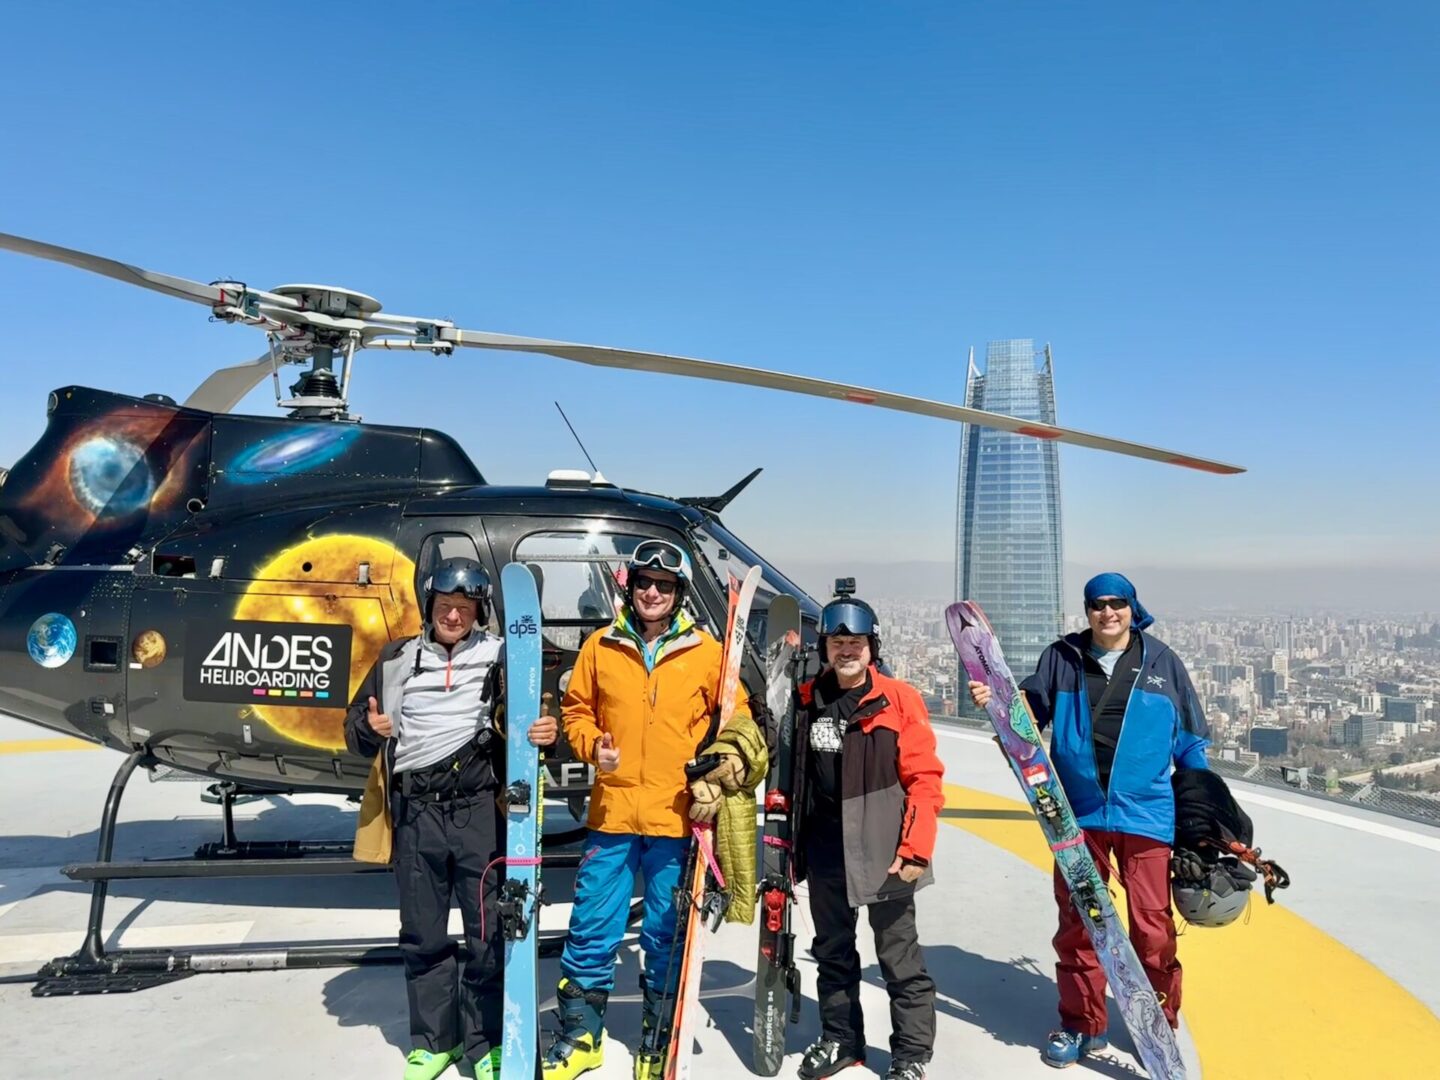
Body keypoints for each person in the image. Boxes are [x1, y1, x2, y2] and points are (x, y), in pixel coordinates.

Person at [544, 538, 767, 1080]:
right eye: (644, 583)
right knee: (592, 926)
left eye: (663, 586)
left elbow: (737, 721)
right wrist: (590, 742)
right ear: (630, 587)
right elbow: (576, 711)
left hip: (677, 816)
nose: (652, 592)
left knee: (666, 933)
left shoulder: (707, 654)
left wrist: (727, 760)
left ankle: (656, 1038)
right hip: (613, 813)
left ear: (678, 594)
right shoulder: (601, 646)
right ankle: (580, 1039)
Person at [969, 572, 1209, 1069]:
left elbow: (1190, 743)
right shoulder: (1061, 657)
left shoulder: (1163, 662)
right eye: (1097, 605)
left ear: (1131, 607)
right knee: (1081, 921)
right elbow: (1027, 715)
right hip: (1075, 813)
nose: (1107, 613)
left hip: (1147, 814)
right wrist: (995, 704)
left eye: (1116, 603)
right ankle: (1082, 1022)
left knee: (1151, 924)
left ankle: (1159, 1021)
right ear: (1087, 611)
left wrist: (1203, 818)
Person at [346, 557, 558, 1080]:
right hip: (417, 814)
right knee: (422, 933)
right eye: (445, 607)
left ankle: (485, 1042)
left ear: (478, 612)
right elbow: (354, 732)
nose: (454, 617)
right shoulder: (396, 659)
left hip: (478, 813)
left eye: (464, 609)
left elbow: (543, 715)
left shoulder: (503, 659)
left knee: (486, 933)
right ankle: (433, 1042)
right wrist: (372, 728)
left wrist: (547, 734)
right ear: (430, 608)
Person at [791, 587, 945, 1080]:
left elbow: (925, 780)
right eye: (837, 642)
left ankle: (911, 1057)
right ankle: (841, 1039)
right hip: (825, 848)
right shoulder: (807, 699)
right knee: (832, 952)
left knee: (899, 957)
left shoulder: (899, 699)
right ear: (824, 648)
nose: (847, 649)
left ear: (872, 647)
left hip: (885, 851)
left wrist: (916, 850)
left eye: (856, 641)